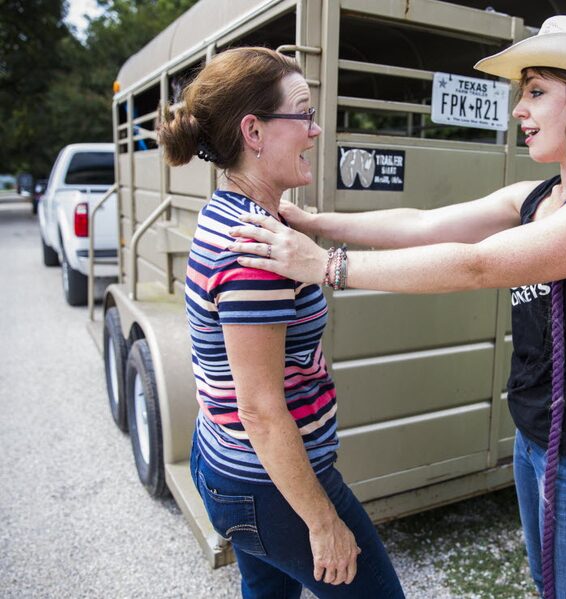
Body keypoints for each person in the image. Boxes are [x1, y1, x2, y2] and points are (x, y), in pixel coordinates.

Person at [227, 16, 566, 599]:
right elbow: (423, 224)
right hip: (539, 439)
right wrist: (314, 222)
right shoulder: (540, 196)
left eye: (536, 92)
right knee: (549, 586)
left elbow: (476, 264)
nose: (519, 109)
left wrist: (326, 266)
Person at [156, 47, 405, 599]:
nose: (315, 131)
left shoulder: (232, 214)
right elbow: (261, 411)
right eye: (304, 113)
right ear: (254, 131)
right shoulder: (256, 250)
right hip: (270, 484)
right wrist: (322, 522)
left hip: (228, 462)